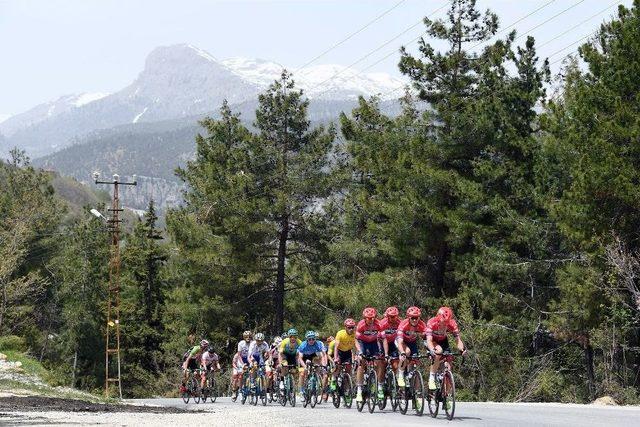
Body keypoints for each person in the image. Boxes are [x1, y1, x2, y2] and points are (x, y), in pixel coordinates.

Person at [425, 306, 466, 390]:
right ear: (438, 317)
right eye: (443, 322)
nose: (444, 325)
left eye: (446, 323)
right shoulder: (431, 322)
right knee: (438, 352)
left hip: (443, 341)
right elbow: (428, 340)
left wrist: (462, 349)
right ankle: (432, 378)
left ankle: (445, 394)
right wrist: (432, 350)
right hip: (432, 340)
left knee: (449, 366)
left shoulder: (452, 323)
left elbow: (458, 340)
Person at [355, 307, 384, 402]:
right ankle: (359, 390)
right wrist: (359, 352)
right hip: (362, 343)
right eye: (368, 318)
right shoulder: (361, 325)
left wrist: (385, 352)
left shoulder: (378, 324)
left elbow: (383, 339)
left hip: (373, 343)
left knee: (379, 362)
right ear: (364, 318)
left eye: (373, 317)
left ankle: (379, 386)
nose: (371, 320)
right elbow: (356, 340)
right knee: (361, 364)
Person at [396, 306, 427, 388]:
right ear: (408, 317)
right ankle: (401, 374)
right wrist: (402, 352)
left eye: (416, 318)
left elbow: (426, 339)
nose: (414, 320)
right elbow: (400, 341)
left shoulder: (421, 325)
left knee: (416, 362)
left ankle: (416, 393)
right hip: (401, 341)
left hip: (412, 342)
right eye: (412, 318)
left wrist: (429, 350)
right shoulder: (403, 324)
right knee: (407, 352)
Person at [297, 330, 328, 396]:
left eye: (313, 339)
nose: (311, 341)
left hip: (313, 356)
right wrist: (305, 367)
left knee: (317, 366)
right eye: (309, 339)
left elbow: (322, 355)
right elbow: (300, 358)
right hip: (304, 357)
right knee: (302, 374)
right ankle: (301, 389)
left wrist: (323, 365)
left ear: (315, 339)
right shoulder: (303, 345)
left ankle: (315, 381)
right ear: (307, 340)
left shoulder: (317, 344)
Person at [330, 318, 356, 392]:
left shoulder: (354, 334)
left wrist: (357, 355)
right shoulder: (340, 333)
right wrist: (335, 358)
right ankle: (334, 379)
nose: (351, 329)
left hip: (348, 352)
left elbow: (355, 346)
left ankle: (347, 389)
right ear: (345, 327)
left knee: (349, 370)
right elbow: (336, 347)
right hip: (340, 352)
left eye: (352, 327)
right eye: (349, 327)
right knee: (338, 366)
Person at [380, 306, 402, 371]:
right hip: (382, 343)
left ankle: (393, 379)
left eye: (395, 316)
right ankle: (381, 381)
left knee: (395, 365)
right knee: (383, 364)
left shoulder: (400, 323)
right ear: (387, 316)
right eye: (392, 316)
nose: (394, 318)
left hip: (393, 343)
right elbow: (382, 338)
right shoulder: (382, 323)